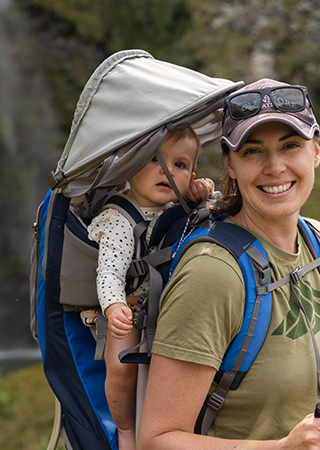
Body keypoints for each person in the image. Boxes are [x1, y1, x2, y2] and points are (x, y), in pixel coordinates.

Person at [139, 79, 320, 449]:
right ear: (230, 165)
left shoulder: (319, 244)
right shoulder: (213, 273)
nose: (275, 167)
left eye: (291, 146)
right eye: (253, 151)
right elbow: (157, 440)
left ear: (315, 153)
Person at [87, 126, 215, 450]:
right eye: (154, 160)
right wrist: (114, 307)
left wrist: (197, 190)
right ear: (129, 167)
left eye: (181, 166)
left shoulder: (177, 206)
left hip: (167, 305)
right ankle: (126, 428)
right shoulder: (119, 218)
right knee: (120, 366)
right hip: (128, 307)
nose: (167, 171)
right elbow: (109, 273)